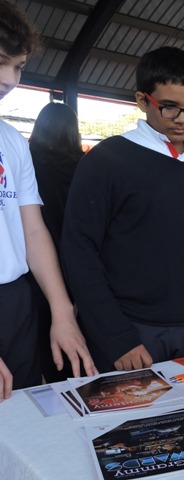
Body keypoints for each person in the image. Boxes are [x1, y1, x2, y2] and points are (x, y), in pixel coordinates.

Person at [61, 46, 184, 373]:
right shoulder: (107, 160)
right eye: (169, 107)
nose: (182, 119)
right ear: (142, 100)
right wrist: (117, 336)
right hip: (135, 333)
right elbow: (79, 251)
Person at [0, 1, 96, 399]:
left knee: (21, 412)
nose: (9, 79)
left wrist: (61, 309)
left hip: (15, 300)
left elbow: (34, 230)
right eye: (1, 62)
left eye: (18, 67)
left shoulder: (12, 141)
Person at [28, 102, 86, 382]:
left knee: (39, 341)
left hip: (35, 269)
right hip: (78, 267)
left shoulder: (28, 165)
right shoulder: (85, 168)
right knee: (78, 342)